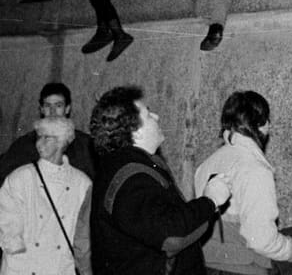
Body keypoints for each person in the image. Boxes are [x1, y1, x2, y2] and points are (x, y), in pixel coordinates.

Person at [89, 86, 231, 275]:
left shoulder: (126, 168)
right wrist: (210, 200)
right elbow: (171, 236)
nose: (156, 116)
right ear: (135, 132)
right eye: (148, 114)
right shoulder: (130, 178)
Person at [193, 91, 292, 274]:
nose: (269, 125)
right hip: (242, 268)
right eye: (267, 120)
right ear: (260, 124)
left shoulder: (205, 165)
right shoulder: (256, 169)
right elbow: (261, 239)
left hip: (206, 264)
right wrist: (291, 250)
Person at [0, 116, 92, 275]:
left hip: (60, 266)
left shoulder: (82, 183)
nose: (39, 143)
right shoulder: (21, 177)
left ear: (62, 142)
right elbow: (6, 215)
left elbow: (84, 233)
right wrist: (14, 246)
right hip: (25, 266)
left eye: (47, 138)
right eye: (39, 137)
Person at [0, 83, 95, 187]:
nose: (53, 112)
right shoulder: (24, 145)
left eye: (58, 105)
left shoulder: (85, 145)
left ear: (67, 108)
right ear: (41, 109)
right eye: (47, 106)